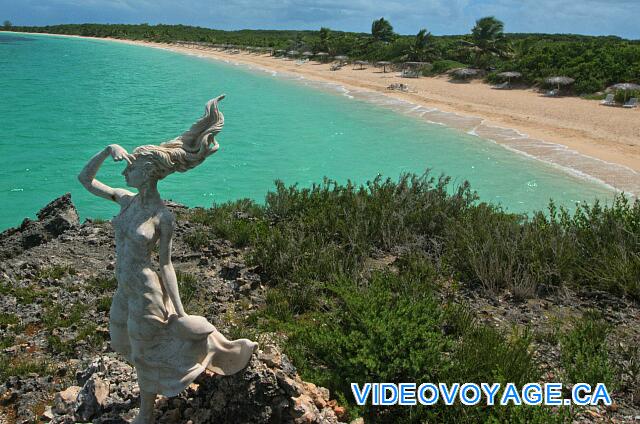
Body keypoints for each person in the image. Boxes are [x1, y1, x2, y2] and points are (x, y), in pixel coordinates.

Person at [78, 95, 257, 423]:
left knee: (144, 353)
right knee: (124, 345)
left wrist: (180, 310)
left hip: (147, 293)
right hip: (124, 288)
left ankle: (147, 413)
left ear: (147, 173)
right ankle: (167, 377)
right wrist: (107, 150)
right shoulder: (126, 201)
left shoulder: (162, 217)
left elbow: (167, 264)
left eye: (131, 168)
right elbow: (85, 180)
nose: (125, 172)